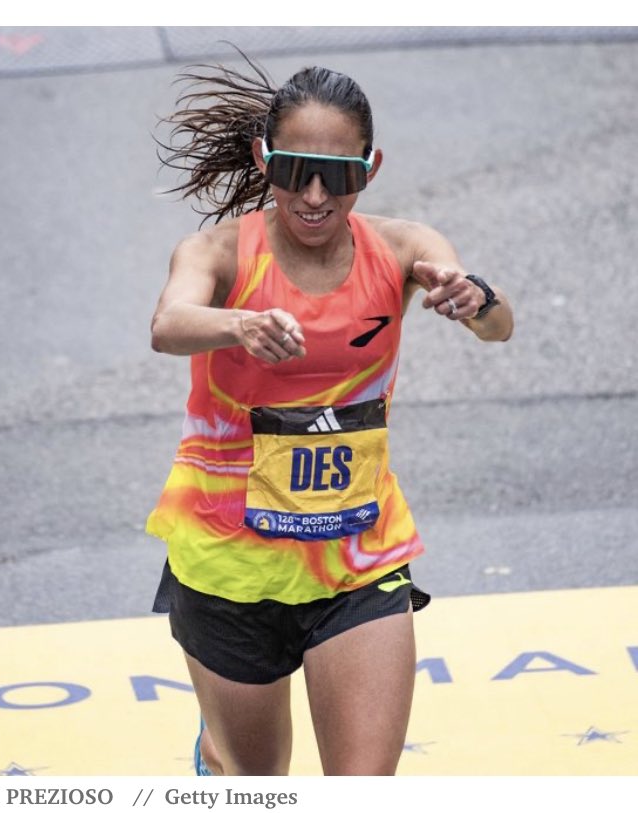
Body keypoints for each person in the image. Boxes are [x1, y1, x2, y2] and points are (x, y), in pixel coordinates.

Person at [146, 53, 513, 777]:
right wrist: (238, 326)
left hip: (358, 555)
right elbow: (169, 323)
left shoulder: (405, 249)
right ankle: (217, 752)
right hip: (229, 563)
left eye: (338, 176)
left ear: (370, 169)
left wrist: (477, 299)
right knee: (255, 783)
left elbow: (494, 324)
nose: (314, 196)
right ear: (264, 160)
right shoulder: (217, 252)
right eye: (294, 172)